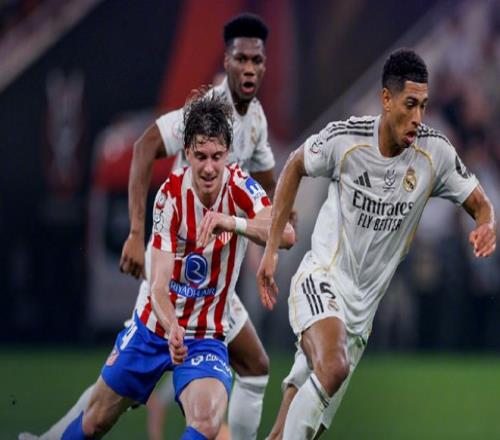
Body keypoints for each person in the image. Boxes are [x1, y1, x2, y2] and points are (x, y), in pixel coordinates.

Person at [19, 12, 276, 440]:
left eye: (257, 60)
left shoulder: (256, 120)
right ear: (226, 61)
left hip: (212, 280)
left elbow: (265, 175)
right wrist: (137, 234)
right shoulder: (203, 110)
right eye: (241, 59)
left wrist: (277, 211)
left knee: (252, 367)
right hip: (174, 267)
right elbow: (144, 147)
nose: (249, 69)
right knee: (109, 403)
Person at [257, 48, 496, 439]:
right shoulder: (346, 139)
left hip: (360, 317)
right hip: (322, 278)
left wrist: (487, 225)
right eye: (410, 104)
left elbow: (481, 204)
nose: (418, 117)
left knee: (296, 429)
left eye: (424, 106)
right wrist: (269, 250)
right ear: (386, 99)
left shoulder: (434, 153)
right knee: (333, 367)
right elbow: (296, 164)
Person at [59, 93, 295, 440]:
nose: (209, 168)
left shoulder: (240, 187)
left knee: (206, 422)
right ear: (187, 153)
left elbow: (286, 234)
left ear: (228, 154)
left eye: (216, 156)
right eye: (200, 156)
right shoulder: (169, 196)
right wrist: (171, 327)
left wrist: (232, 223)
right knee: (94, 421)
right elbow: (158, 285)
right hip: (155, 329)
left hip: (206, 337)